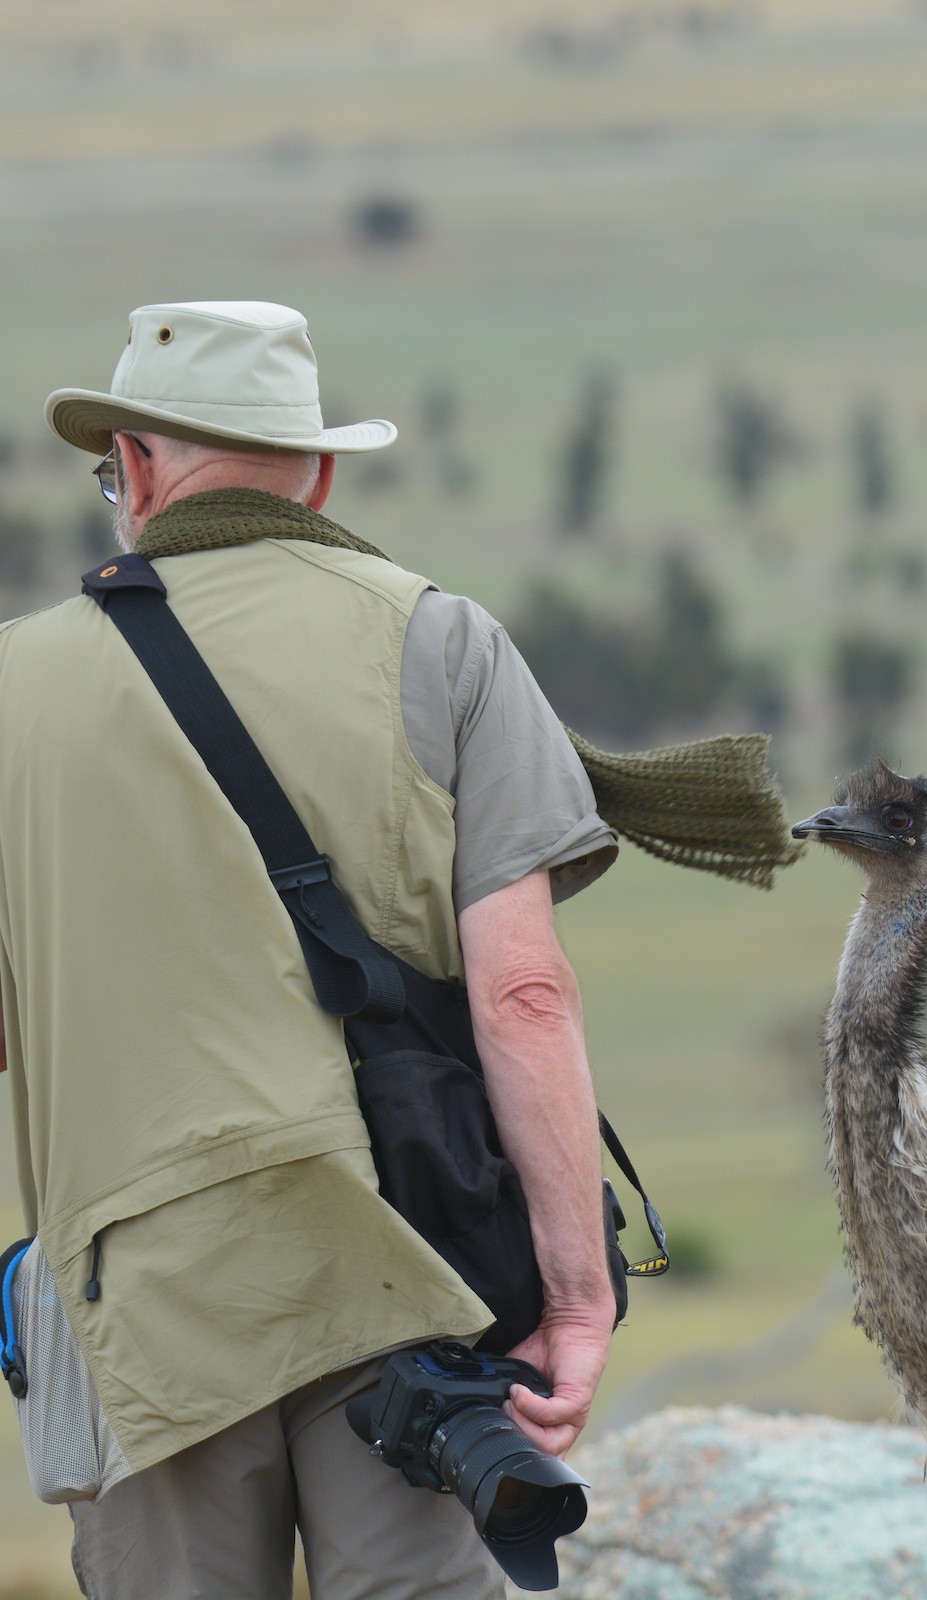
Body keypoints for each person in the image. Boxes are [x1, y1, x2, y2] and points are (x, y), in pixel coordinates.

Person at [0, 301, 618, 1600]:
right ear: (319, 469)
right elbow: (519, 991)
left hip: (140, 1313)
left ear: (142, 467)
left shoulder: (13, 689)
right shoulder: (440, 640)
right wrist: (574, 1294)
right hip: (402, 1280)